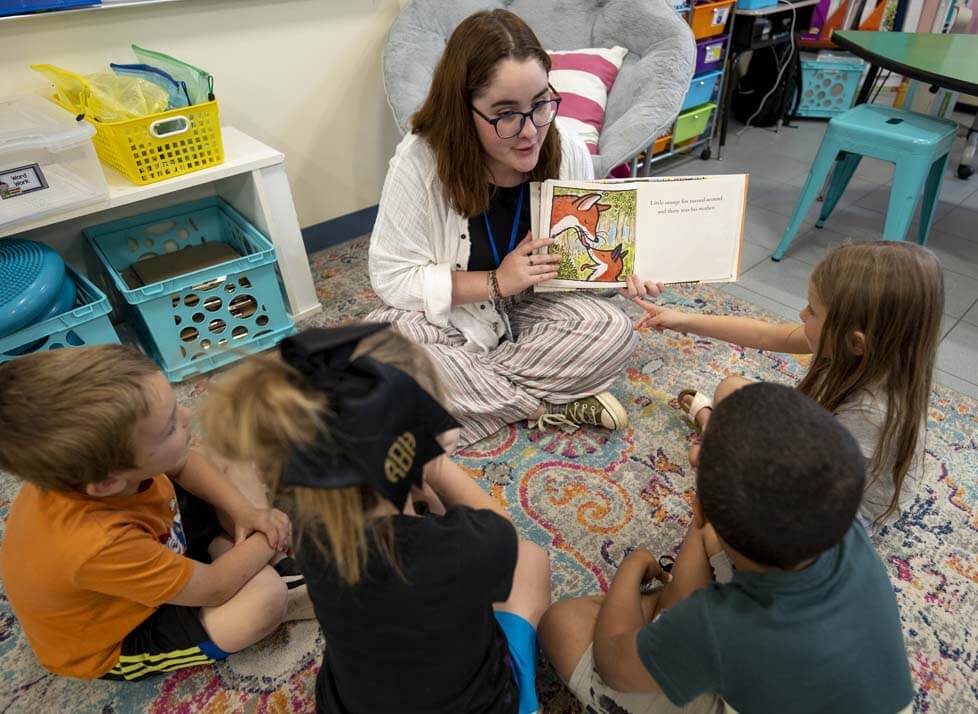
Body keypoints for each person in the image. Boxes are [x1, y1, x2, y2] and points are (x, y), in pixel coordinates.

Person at [199, 324, 552, 714]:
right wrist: (434, 465)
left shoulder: (313, 534)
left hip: (351, 704)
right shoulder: (466, 546)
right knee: (532, 558)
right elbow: (499, 527)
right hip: (475, 703)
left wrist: (416, 462)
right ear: (408, 447)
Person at [368, 9, 664, 446]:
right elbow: (393, 279)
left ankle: (455, 392)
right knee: (371, 353)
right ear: (463, 109)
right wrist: (496, 281)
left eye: (541, 104)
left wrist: (616, 274)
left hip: (536, 306)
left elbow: (581, 269)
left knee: (612, 332)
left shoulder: (567, 151)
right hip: (457, 310)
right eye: (506, 114)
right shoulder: (421, 162)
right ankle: (548, 403)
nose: (530, 132)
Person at [539, 383, 915, 714]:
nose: (693, 455)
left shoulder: (721, 626)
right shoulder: (841, 522)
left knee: (564, 623)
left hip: (733, 664)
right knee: (698, 562)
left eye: (702, 451)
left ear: (699, 508)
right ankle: (666, 618)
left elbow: (614, 665)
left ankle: (664, 621)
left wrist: (633, 566)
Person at [0, 345, 313, 681]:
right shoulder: (96, 543)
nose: (187, 415)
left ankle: (243, 552)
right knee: (263, 600)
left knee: (225, 453)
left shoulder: (101, 474)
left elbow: (183, 462)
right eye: (168, 428)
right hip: (126, 630)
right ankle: (268, 568)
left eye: (174, 406)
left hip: (159, 541)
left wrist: (246, 512)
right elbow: (214, 589)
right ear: (106, 483)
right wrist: (273, 532)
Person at [634, 241, 943, 532]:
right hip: (819, 452)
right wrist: (681, 319)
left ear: (855, 342)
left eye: (813, 310)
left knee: (716, 520)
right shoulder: (869, 350)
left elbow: (796, 488)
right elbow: (765, 334)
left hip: (833, 516)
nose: (801, 314)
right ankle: (715, 426)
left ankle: (712, 425)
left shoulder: (869, 414)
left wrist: (721, 460)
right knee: (732, 388)